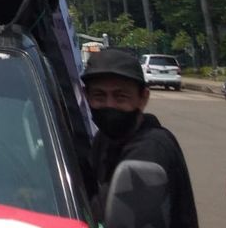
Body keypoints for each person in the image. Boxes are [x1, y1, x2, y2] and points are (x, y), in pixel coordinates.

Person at [82, 48, 199, 228]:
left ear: (143, 98)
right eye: (99, 96)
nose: (109, 105)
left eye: (121, 96)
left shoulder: (151, 150)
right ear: (86, 96)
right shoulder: (104, 139)